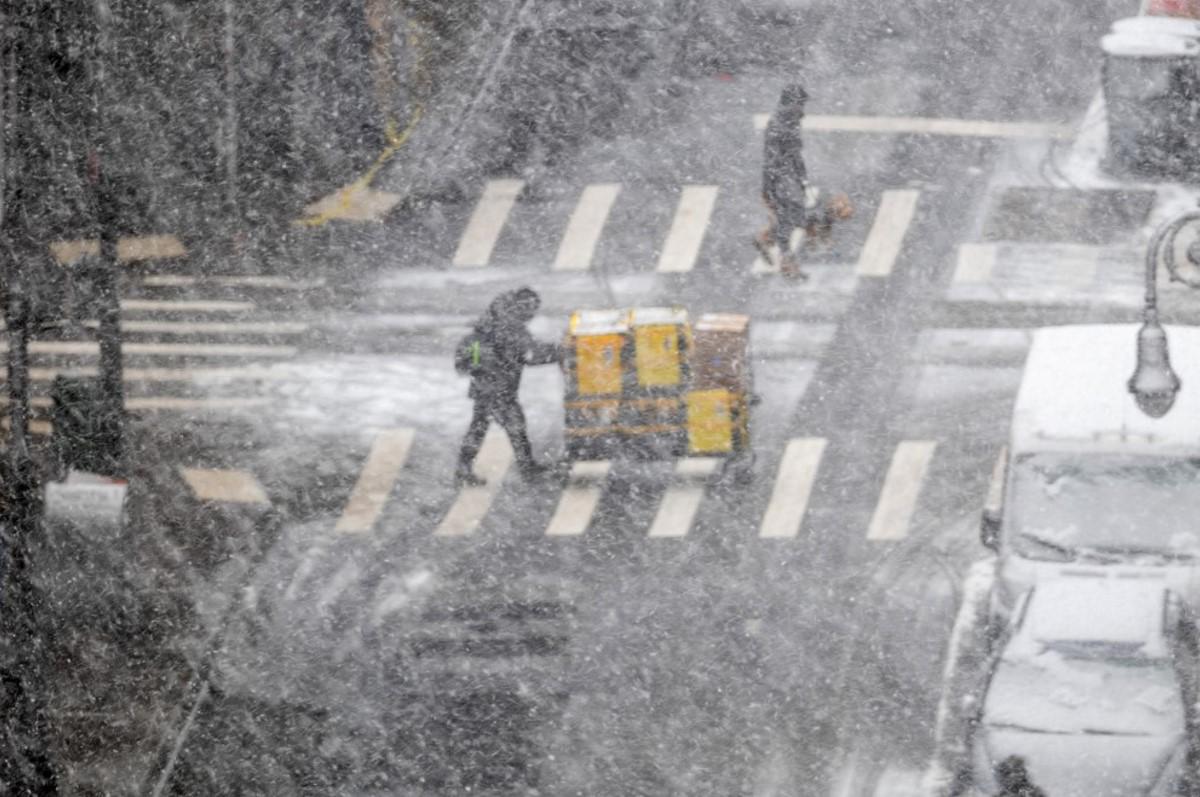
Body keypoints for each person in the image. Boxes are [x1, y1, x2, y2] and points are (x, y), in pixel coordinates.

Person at [455, 287, 562, 486]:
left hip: (485, 385)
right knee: (515, 427)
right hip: (499, 387)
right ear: (523, 307)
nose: (532, 314)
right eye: (532, 309)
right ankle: (528, 470)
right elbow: (532, 355)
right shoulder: (511, 327)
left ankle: (464, 468)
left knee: (481, 427)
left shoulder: (493, 320)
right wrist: (561, 352)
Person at [756, 83, 811, 279]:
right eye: (800, 103)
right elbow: (773, 157)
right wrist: (769, 185)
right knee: (791, 218)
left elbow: (795, 154)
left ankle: (768, 240)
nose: (802, 108)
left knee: (791, 218)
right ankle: (787, 264)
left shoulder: (790, 121)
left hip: (788, 178)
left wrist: (802, 178)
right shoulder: (781, 123)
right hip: (782, 179)